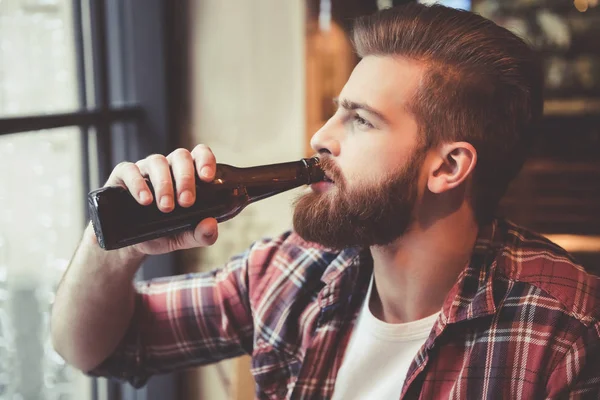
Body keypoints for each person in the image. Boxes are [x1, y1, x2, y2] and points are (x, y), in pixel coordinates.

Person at [51, 3, 600, 399]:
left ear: (449, 167)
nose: (319, 136)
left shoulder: (566, 331)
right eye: (338, 109)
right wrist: (115, 249)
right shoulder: (294, 269)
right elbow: (96, 348)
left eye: (359, 119)